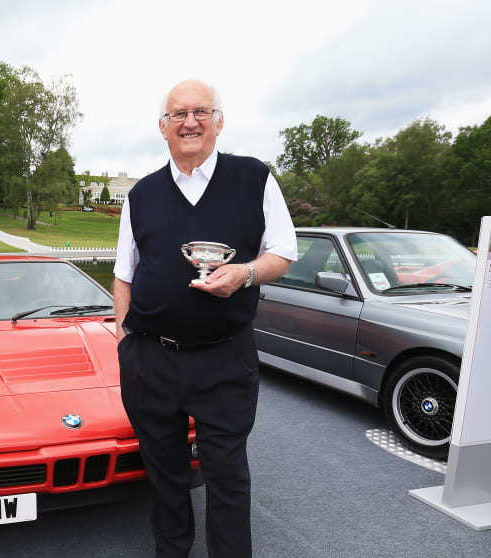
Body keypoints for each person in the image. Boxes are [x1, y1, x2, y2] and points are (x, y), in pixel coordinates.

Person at [114, 79, 297, 557]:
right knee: (165, 476)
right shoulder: (142, 195)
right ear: (163, 127)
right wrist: (124, 342)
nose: (189, 121)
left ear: (219, 121)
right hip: (150, 358)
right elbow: (123, 277)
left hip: (223, 358)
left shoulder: (253, 177)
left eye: (201, 112)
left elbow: (284, 253)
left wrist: (246, 274)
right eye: (178, 114)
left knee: (227, 476)